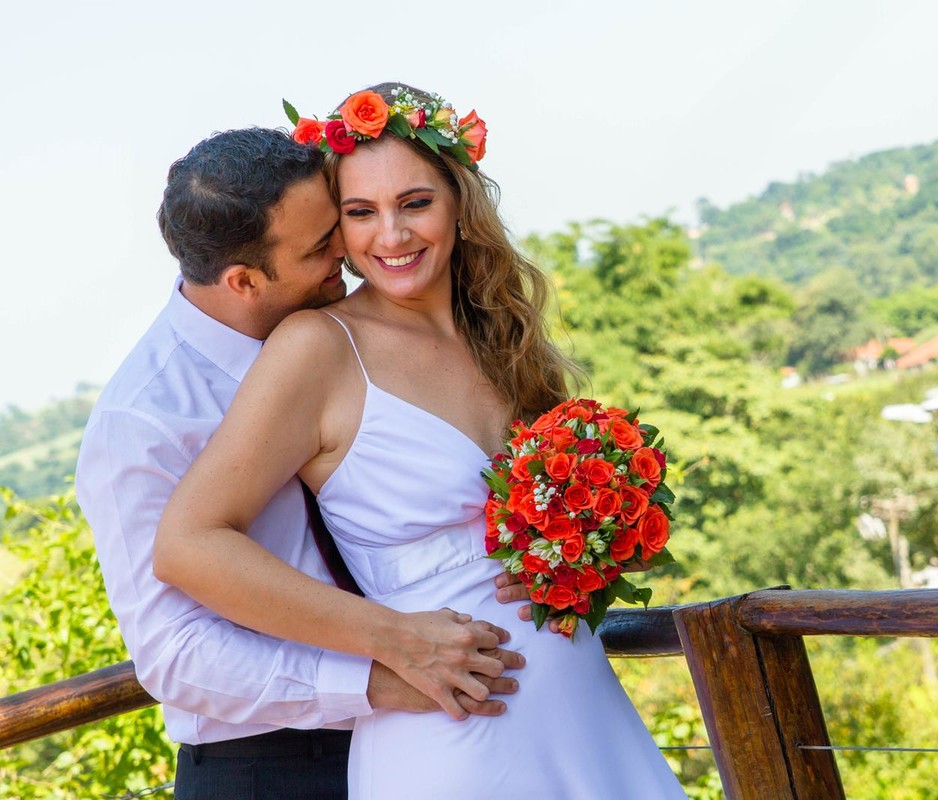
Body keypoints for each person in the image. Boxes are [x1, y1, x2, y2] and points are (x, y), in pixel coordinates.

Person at [153, 83, 686, 798]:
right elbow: (188, 544)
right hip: (456, 732)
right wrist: (388, 638)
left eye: (415, 203)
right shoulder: (317, 347)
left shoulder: (498, 331)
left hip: (580, 704)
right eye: (360, 213)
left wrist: (579, 553)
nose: (392, 236)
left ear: (459, 204)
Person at [76, 127, 534, 800]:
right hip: (272, 766)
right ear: (243, 280)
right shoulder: (141, 423)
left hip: (428, 723)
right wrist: (380, 673)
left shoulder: (352, 340)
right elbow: (175, 655)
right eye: (322, 248)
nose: (347, 260)